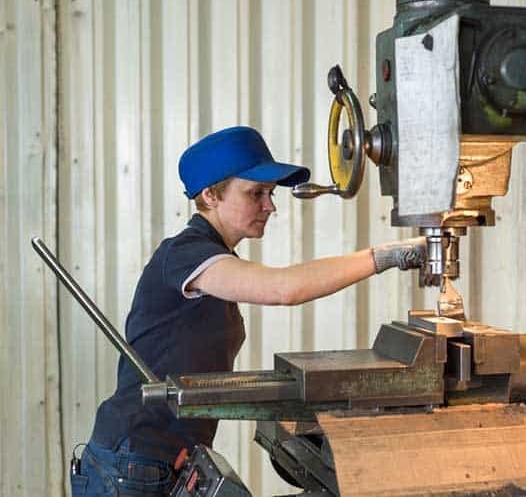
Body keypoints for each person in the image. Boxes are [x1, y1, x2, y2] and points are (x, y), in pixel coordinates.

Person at [70, 126, 425, 496]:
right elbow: (283, 288)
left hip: (165, 460)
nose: (270, 206)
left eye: (270, 194)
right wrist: (386, 256)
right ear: (210, 195)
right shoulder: (184, 254)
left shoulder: (213, 256)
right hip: (133, 465)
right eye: (256, 193)